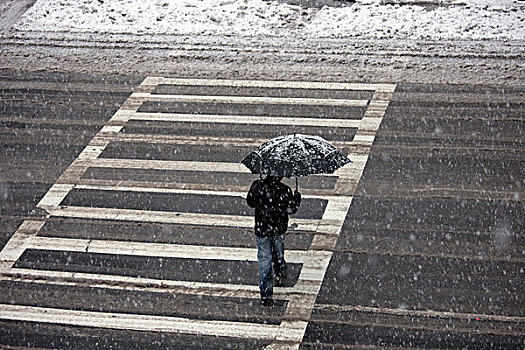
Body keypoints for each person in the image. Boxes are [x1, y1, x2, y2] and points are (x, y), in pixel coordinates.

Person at [246, 175, 301, 306]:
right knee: (279, 251)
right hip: (278, 229)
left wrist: (256, 190)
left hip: (262, 230)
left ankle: (266, 293)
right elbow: (291, 209)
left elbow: (251, 202)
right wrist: (297, 198)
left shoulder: (258, 186)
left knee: (264, 260)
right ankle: (280, 268)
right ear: (281, 176)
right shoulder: (285, 190)